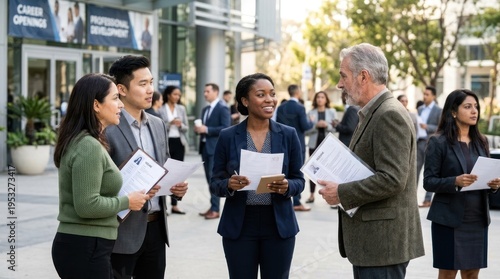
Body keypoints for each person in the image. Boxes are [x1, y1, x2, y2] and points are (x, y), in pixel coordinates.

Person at [317, 43, 424, 278]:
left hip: (382, 244)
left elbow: (393, 179)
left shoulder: (389, 114)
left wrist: (342, 192)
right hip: (376, 244)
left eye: (343, 76)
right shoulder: (374, 112)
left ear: (363, 76)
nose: (339, 84)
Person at [51, 73, 149, 279]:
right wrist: (127, 201)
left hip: (87, 245)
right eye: (115, 98)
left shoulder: (88, 141)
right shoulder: (88, 146)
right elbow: (87, 205)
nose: (120, 105)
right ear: (96, 105)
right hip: (85, 246)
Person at [210, 73, 305, 279]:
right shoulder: (228, 136)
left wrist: (288, 185)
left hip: (278, 224)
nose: (269, 99)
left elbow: (299, 179)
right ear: (245, 101)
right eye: (261, 95)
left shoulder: (288, 135)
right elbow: (215, 183)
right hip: (240, 225)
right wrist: (229, 184)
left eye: (272, 94)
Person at [106, 55, 188, 279]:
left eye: (151, 82)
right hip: (121, 233)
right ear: (121, 89)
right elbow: (101, 184)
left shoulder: (158, 124)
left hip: (156, 229)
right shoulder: (107, 127)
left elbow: (165, 169)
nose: (150, 89)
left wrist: (176, 189)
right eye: (142, 84)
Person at [423, 89, 500, 279]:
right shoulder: (438, 142)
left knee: (472, 274)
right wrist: (454, 182)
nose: (474, 111)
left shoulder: (481, 142)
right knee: (448, 273)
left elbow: (485, 175)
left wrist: (493, 185)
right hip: (449, 220)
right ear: (453, 111)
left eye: (476, 107)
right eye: (468, 107)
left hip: (477, 218)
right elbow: (428, 182)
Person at [194, 83, 231, 220]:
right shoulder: (205, 109)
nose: (205, 94)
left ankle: (216, 209)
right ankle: (212, 206)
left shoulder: (223, 108)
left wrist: (207, 129)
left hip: (215, 149)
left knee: (214, 179)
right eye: (204, 91)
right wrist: (199, 130)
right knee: (209, 180)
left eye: (207, 91)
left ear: (216, 92)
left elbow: (226, 128)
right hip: (205, 148)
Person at [276, 84, 314, 211]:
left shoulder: (281, 107)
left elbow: (276, 124)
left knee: (283, 172)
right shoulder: (300, 107)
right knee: (297, 173)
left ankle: (282, 199)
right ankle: (297, 202)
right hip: (297, 143)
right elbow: (305, 126)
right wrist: (312, 121)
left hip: (282, 143)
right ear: (297, 92)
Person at [159, 85, 189, 214]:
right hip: (166, 143)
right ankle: (163, 205)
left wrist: (180, 124)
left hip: (178, 142)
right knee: (164, 172)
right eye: (175, 94)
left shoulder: (181, 108)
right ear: (168, 95)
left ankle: (175, 204)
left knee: (177, 174)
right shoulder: (160, 109)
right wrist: (169, 123)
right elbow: (158, 127)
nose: (177, 97)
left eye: (179, 95)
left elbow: (186, 127)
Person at [304, 91, 337, 203]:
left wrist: (327, 125)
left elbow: (336, 128)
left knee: (330, 170)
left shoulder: (332, 112)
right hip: (314, 144)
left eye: (322, 97)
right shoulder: (311, 112)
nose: (320, 99)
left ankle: (332, 196)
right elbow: (306, 131)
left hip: (328, 146)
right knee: (312, 170)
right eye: (318, 97)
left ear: (326, 99)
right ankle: (312, 195)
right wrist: (315, 126)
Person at [417, 86, 442, 207]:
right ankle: (412, 198)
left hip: (431, 144)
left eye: (427, 94)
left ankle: (427, 200)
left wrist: (428, 127)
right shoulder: (420, 109)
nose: (425, 96)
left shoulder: (438, 110)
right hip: (420, 143)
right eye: (424, 94)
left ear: (433, 96)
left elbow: (440, 127)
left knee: (430, 172)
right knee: (415, 171)